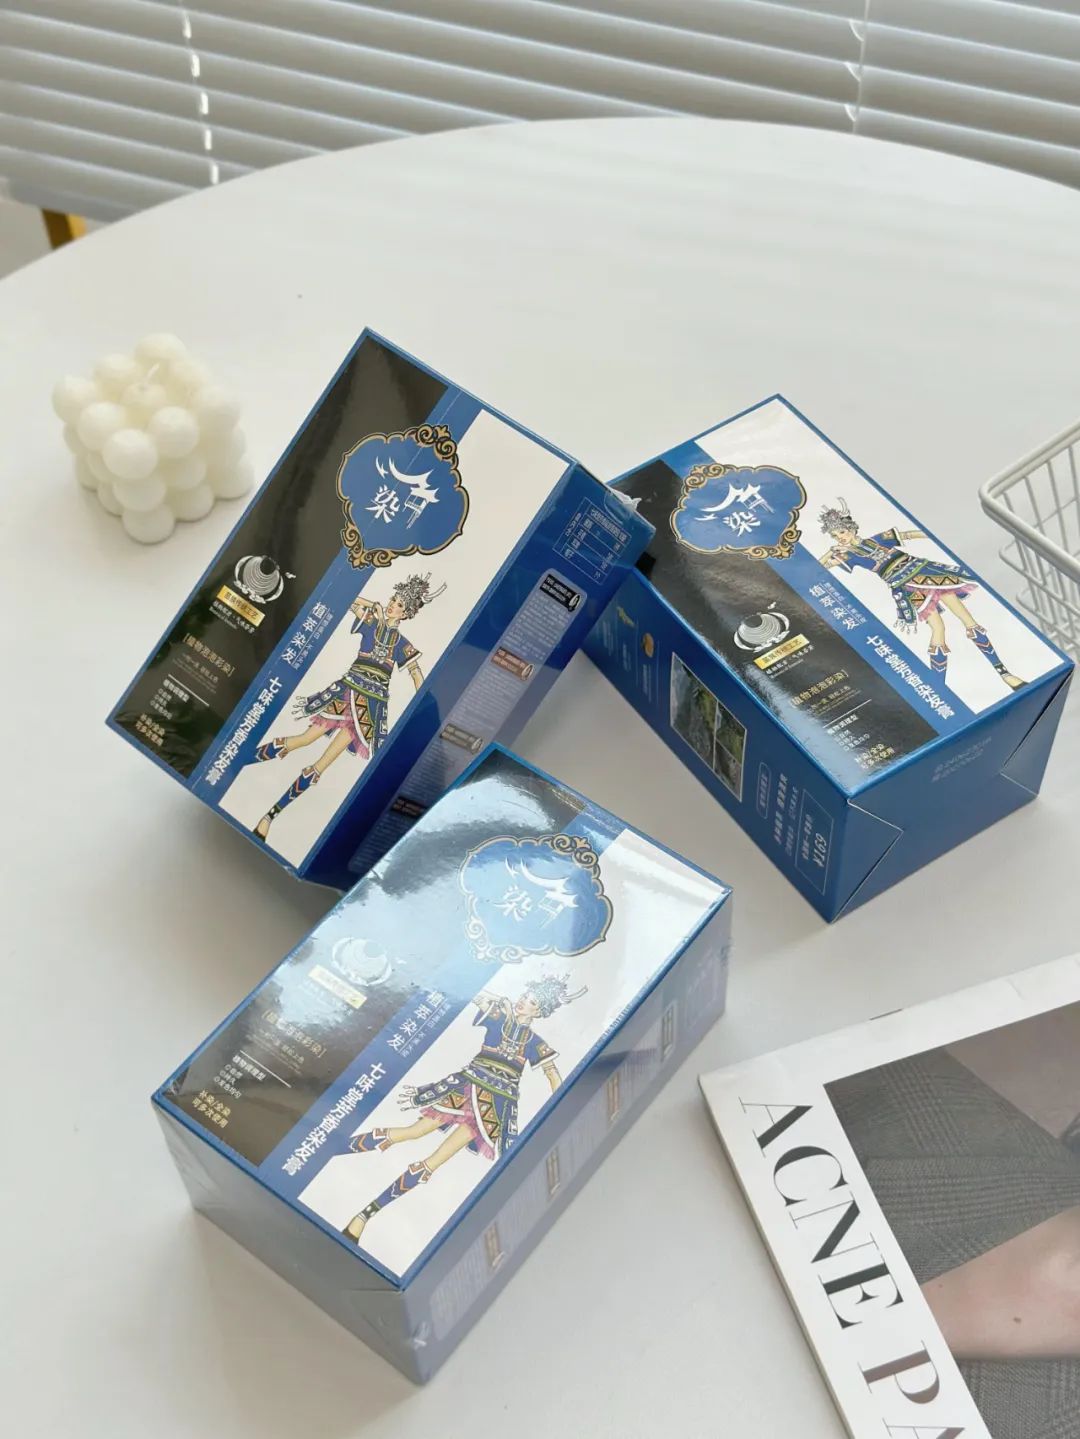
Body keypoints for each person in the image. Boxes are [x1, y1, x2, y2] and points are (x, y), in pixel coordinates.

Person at [340, 976, 586, 1245]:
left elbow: (552, 1074)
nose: (523, 1002)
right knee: (413, 1131)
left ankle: (363, 1217)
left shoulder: (535, 1042)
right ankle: (335, 1147)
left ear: (539, 1011)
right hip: (466, 1086)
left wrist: (561, 1105)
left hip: (494, 1105)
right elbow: (471, 990)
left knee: (432, 1163)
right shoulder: (498, 1017)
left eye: (531, 1002)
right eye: (525, 996)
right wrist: (499, 1000)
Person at [250, 572, 443, 842]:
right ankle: (243, 760)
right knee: (304, 739)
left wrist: (423, 699)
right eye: (393, 599)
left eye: (399, 604)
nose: (392, 605)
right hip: (347, 692)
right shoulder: (371, 622)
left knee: (320, 766)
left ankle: (269, 817)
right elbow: (350, 600)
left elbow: (415, 671)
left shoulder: (402, 644)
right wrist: (373, 606)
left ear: (407, 612)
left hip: (370, 707)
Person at [818, 498, 1023, 691]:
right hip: (907, 587)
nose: (840, 537)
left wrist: (934, 533)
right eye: (835, 536)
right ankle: (938, 687)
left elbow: (908, 535)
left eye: (842, 531)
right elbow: (819, 566)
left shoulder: (878, 539)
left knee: (967, 619)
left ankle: (1004, 673)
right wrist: (829, 552)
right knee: (938, 628)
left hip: (926, 572)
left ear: (852, 528)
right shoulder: (848, 555)